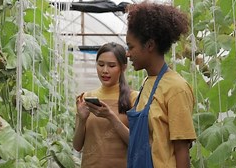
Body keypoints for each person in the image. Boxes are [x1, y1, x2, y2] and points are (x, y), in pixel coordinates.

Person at [125, 2, 197, 168]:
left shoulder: (176, 88)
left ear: (149, 45)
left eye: (131, 47)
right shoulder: (146, 83)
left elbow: (181, 151)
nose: (127, 53)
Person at [73, 42, 138, 168]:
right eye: (100, 64)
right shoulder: (86, 97)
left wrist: (111, 117)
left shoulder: (134, 98)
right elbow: (77, 146)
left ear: (123, 68)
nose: (105, 71)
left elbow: (136, 143)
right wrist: (82, 120)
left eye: (112, 66)